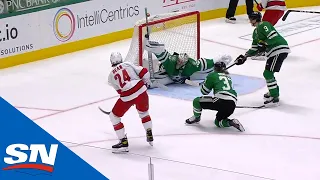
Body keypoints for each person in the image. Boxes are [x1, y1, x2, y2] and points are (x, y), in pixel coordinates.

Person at [235, 12, 290, 106]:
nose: (250, 21)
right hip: (273, 51)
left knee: (268, 73)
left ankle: (274, 97)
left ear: (256, 19)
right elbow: (255, 48)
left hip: (278, 48)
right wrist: (245, 56)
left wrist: (265, 44)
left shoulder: (264, 24)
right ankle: (273, 91)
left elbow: (273, 36)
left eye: (252, 19)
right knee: (268, 73)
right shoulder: (255, 32)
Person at [107, 52, 154, 153]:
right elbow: (144, 72)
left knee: (114, 117)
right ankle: (149, 132)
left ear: (111, 62)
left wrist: (130, 100)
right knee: (143, 113)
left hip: (127, 96)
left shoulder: (110, 76)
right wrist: (146, 82)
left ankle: (123, 144)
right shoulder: (128, 64)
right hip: (141, 91)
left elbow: (120, 91)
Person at [144, 38, 233, 86]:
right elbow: (164, 56)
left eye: (181, 62)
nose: (179, 63)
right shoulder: (172, 62)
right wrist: (155, 49)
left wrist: (217, 60)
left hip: (177, 78)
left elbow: (204, 64)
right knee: (152, 81)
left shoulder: (191, 65)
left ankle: (147, 83)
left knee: (154, 82)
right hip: (168, 73)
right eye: (178, 61)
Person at [185, 61, 245, 132]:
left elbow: (204, 92)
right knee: (218, 122)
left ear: (215, 68)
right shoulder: (228, 77)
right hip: (232, 104)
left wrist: (205, 83)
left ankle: (196, 118)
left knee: (196, 101)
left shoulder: (212, 75)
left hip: (221, 100)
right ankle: (231, 122)